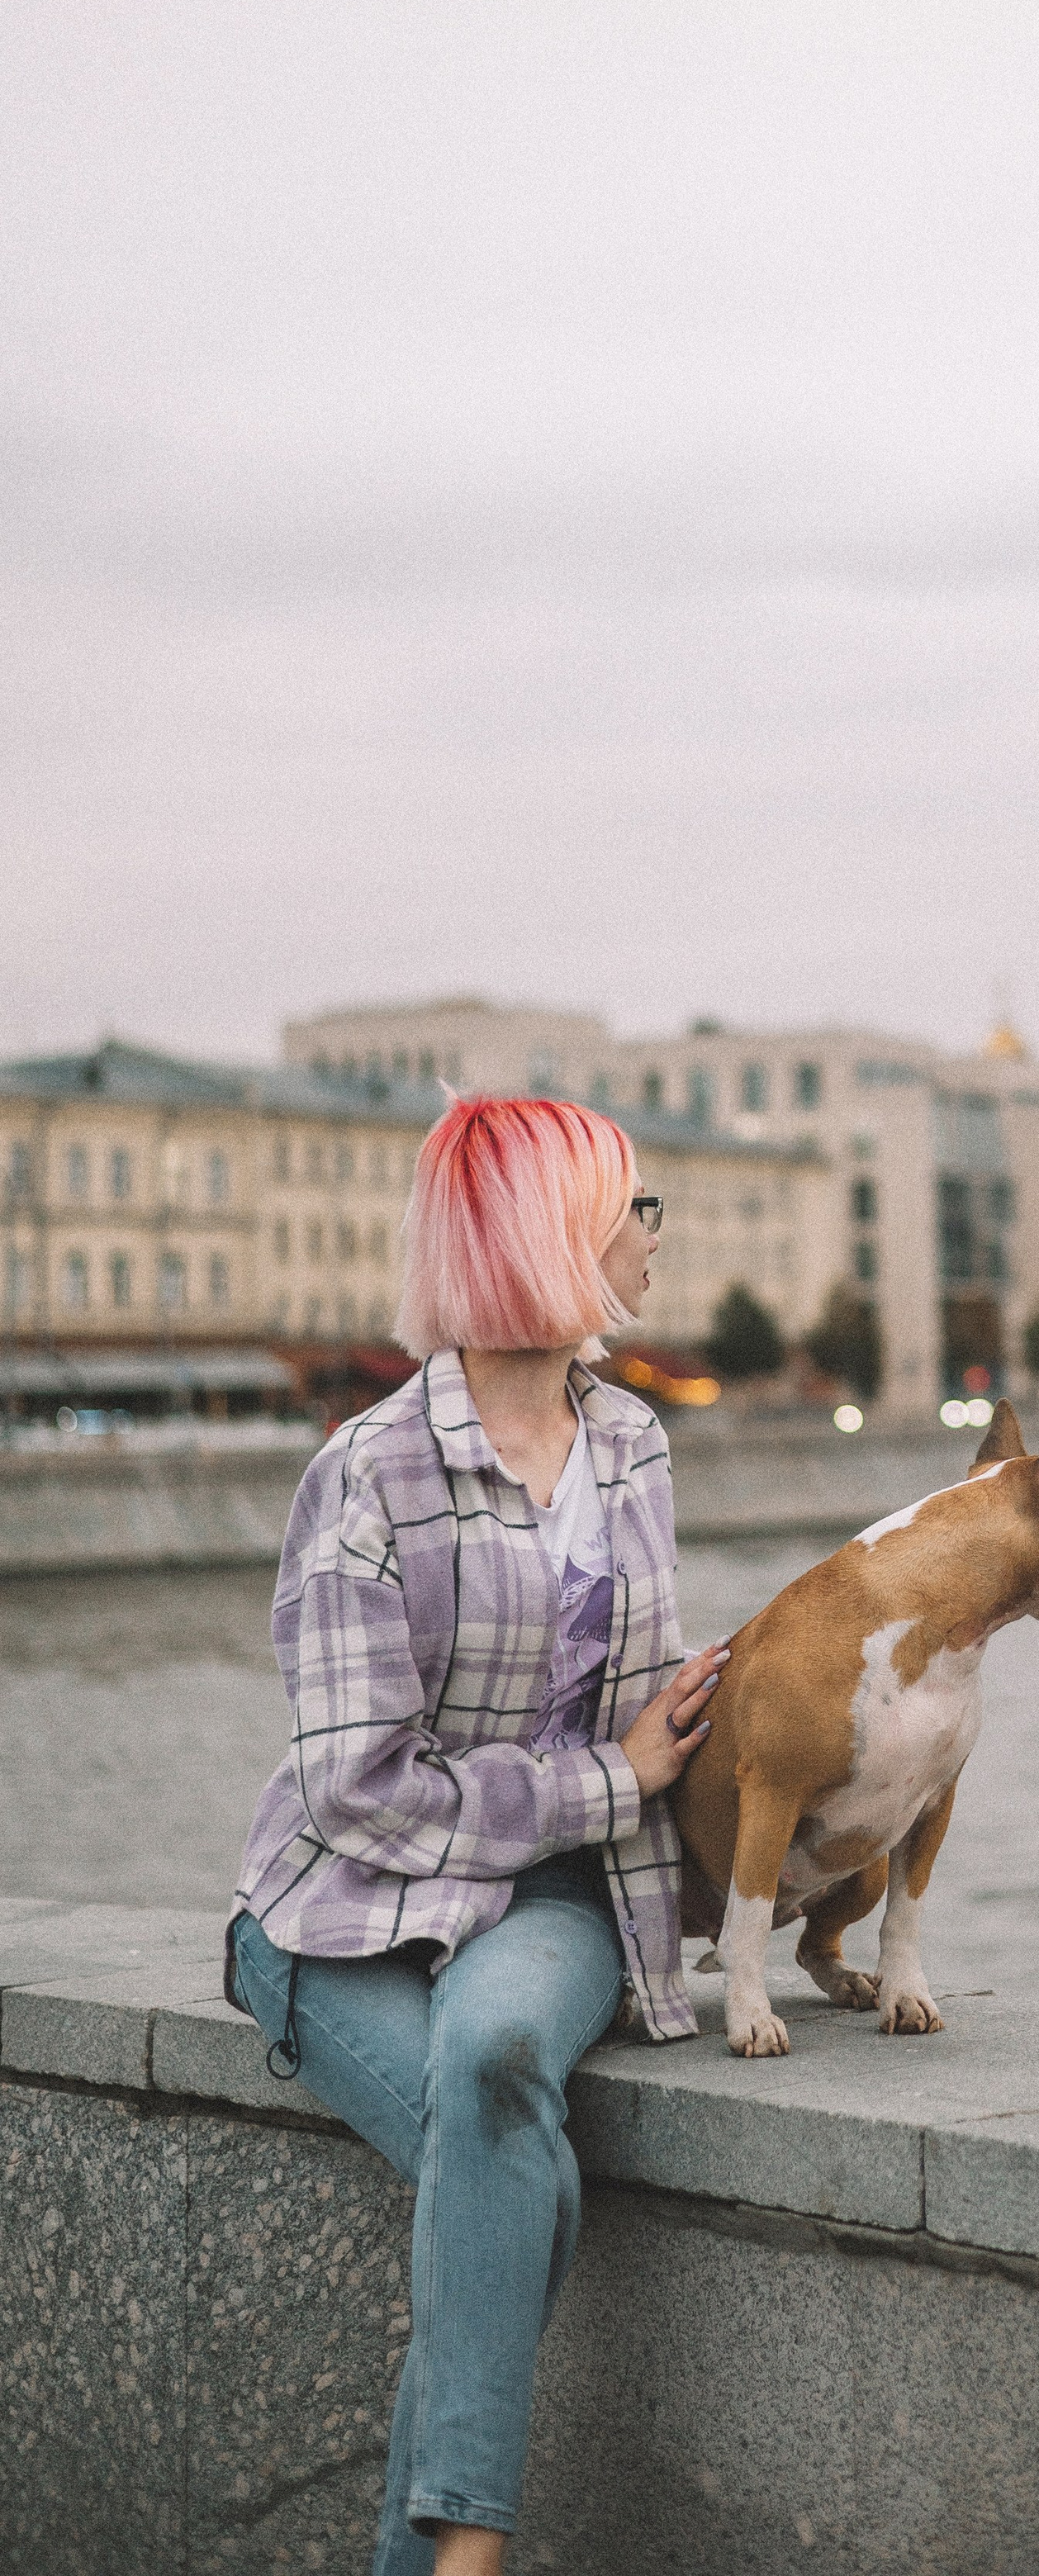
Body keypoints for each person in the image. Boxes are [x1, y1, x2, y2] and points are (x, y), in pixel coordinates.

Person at [227, 1095, 731, 2576]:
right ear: (553, 1232)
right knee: (511, 2162)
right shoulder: (368, 1474)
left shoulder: (632, 1442)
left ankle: (448, 2561)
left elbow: (653, 1703)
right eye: (634, 1205)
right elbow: (357, 1788)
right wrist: (610, 1779)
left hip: (548, 1899)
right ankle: (464, 2552)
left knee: (497, 2058)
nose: (655, 1234)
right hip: (332, 1917)